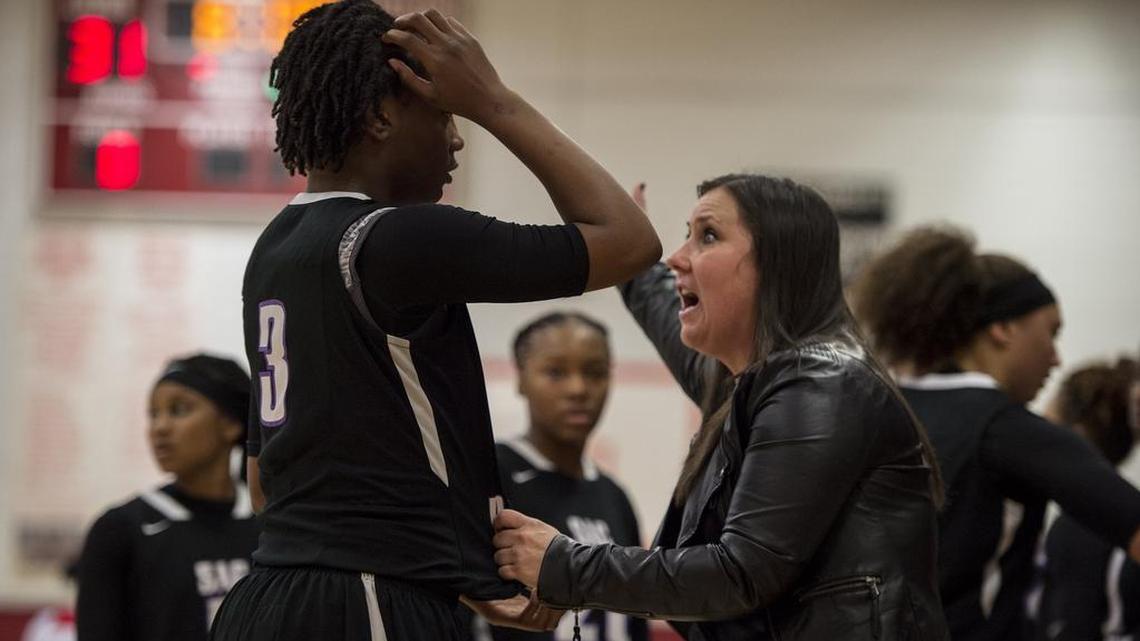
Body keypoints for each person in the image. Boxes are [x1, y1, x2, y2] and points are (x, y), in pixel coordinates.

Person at [210, 2, 660, 640]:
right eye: (446, 113)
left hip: (266, 600)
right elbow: (629, 239)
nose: (456, 137)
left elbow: (265, 483)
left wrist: (448, 574)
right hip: (364, 600)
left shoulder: (277, 247)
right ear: (379, 116)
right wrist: (495, 100)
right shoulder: (399, 239)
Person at [492, 176, 950, 641]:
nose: (677, 257)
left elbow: (740, 572)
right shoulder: (754, 382)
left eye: (707, 236)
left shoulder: (819, 382)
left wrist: (561, 564)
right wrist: (621, 239)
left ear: (776, 263)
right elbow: (655, 300)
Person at [850, 226, 1140, 641]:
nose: (1056, 358)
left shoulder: (875, 405)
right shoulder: (1005, 427)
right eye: (1050, 332)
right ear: (1002, 329)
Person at [474, 312, 648, 641]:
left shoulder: (614, 495)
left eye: (594, 373)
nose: (578, 388)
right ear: (521, 378)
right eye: (556, 372)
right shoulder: (490, 473)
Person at [75, 354, 258, 641]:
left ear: (230, 425)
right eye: (153, 414)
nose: (160, 427)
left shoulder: (269, 525)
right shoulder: (120, 529)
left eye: (178, 410)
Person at [1033, 358, 1140, 641]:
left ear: (1074, 437)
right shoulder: (1122, 511)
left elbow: (1072, 626)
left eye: (1046, 426)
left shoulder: (1082, 527)